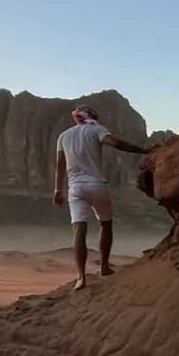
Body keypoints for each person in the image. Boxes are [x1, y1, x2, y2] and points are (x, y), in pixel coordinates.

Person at [52, 105, 149, 290]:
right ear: (92, 116)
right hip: (97, 185)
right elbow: (117, 144)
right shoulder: (97, 129)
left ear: (76, 118)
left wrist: (57, 190)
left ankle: (80, 278)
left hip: (75, 188)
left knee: (78, 229)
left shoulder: (63, 136)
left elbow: (59, 165)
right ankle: (104, 266)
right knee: (106, 224)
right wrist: (143, 151)